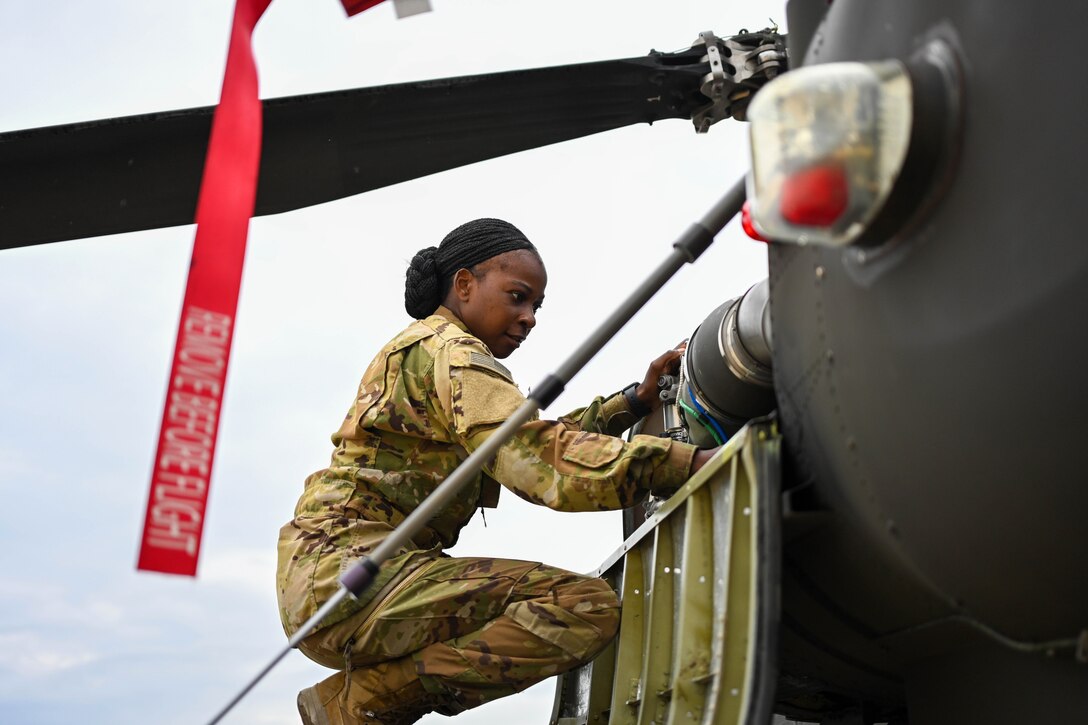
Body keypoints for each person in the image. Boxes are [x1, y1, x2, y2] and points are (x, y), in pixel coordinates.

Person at [276, 218, 717, 725]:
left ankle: (367, 698)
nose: (529, 318)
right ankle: (363, 701)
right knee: (582, 606)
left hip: (332, 578)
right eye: (517, 296)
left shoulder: (427, 348)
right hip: (352, 575)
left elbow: (525, 438)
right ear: (464, 285)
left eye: (536, 306)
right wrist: (689, 463)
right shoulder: (452, 353)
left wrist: (632, 403)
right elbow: (534, 458)